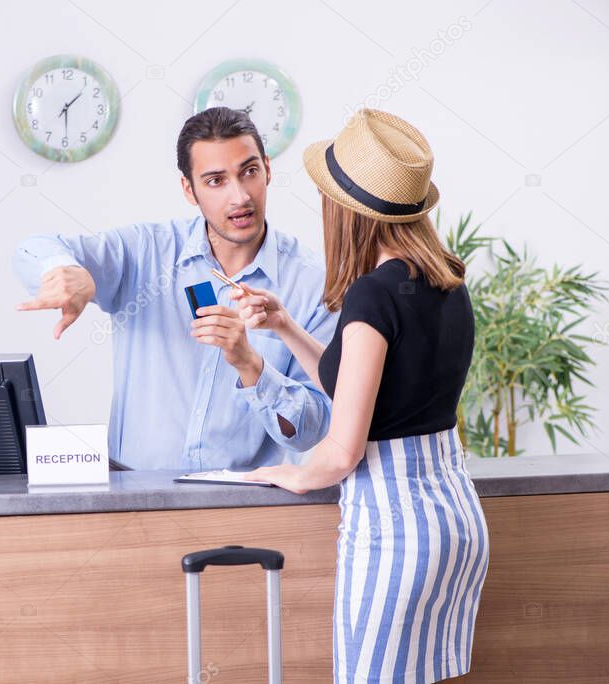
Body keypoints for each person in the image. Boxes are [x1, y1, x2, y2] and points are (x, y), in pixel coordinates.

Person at [238, 109, 489, 682]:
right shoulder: (446, 281)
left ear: (346, 210)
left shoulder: (372, 297)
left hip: (395, 532)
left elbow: (344, 450)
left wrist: (290, 472)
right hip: (456, 523)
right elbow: (362, 381)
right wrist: (283, 326)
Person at [12, 107, 337, 470]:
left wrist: (251, 366)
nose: (240, 197)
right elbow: (32, 248)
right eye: (216, 180)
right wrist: (67, 271)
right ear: (189, 189)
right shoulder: (144, 252)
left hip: (241, 509)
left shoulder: (313, 285)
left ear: (267, 170)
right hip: (133, 501)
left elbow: (311, 430)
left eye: (249, 172)